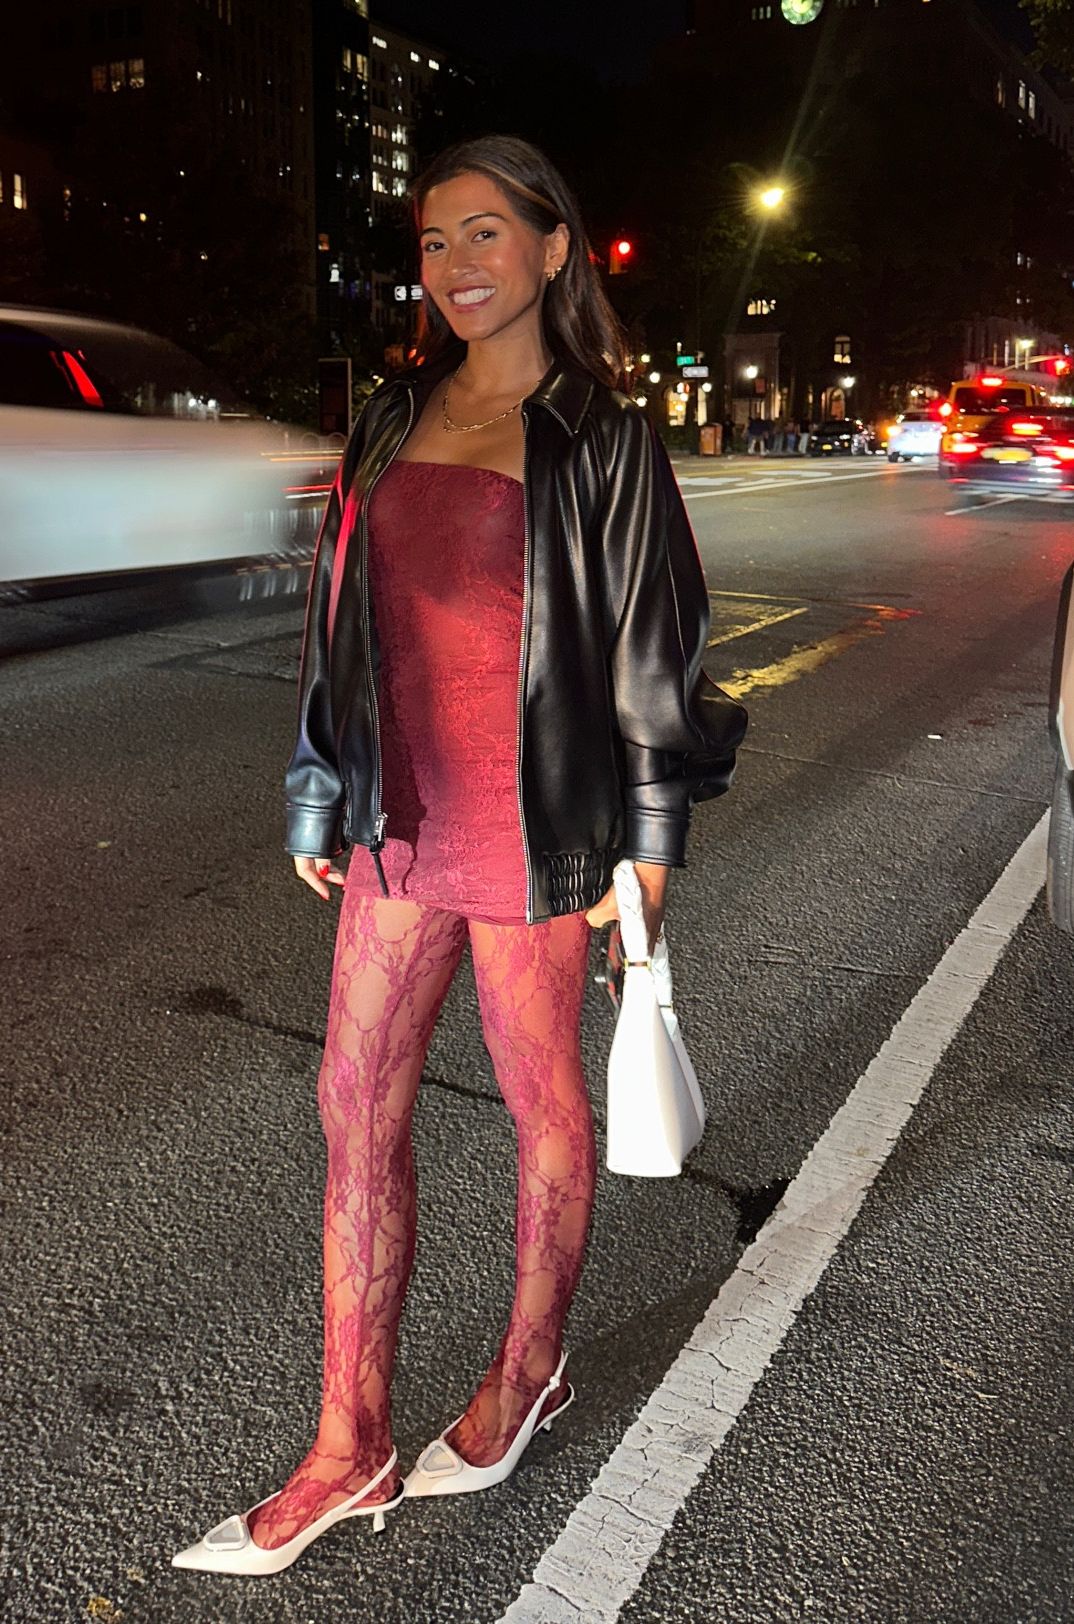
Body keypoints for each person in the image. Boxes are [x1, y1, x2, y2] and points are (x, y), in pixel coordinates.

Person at [171, 135, 746, 1578]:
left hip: (539, 823)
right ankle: (344, 1444)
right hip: (400, 814)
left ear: (556, 248)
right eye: (434, 242)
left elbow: (649, 654)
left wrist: (649, 844)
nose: (456, 267)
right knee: (352, 1101)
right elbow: (337, 621)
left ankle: (531, 1369)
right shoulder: (391, 412)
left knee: (545, 1100)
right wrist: (319, 786)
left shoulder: (603, 435)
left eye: (486, 233)